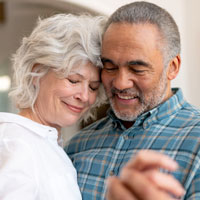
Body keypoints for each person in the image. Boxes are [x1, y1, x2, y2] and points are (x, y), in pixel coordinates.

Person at [65, 1, 200, 200]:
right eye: (110, 67)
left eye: (137, 69)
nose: (120, 83)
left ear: (172, 67)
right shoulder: (77, 146)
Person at [0, 13, 107, 200]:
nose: (84, 96)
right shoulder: (17, 144)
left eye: (93, 87)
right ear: (36, 72)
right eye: (73, 80)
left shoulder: (46, 142)